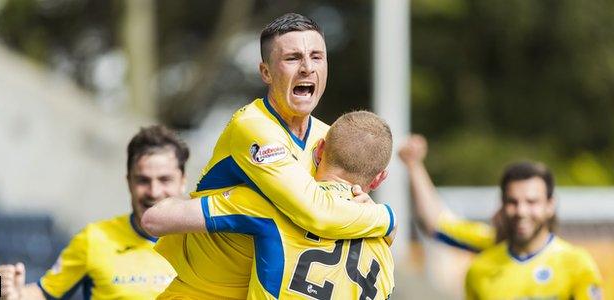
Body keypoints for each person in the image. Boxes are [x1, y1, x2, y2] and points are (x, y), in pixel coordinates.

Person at [153, 13, 395, 299]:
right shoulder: (253, 127)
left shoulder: (330, 139)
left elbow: (344, 224)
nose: (307, 67)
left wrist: (363, 210)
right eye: (293, 58)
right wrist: (386, 217)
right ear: (266, 72)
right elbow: (315, 212)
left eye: (316, 56)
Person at [144, 111, 395, 299]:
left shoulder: (269, 206)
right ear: (380, 178)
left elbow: (154, 219)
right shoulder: (385, 248)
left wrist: (226, 193)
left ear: (319, 151)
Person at [0, 125, 187, 299]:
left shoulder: (205, 244)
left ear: (183, 181)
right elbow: (41, 294)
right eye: (143, 180)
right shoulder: (94, 239)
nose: (153, 192)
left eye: (165, 180)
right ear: (128, 181)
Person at [465, 162, 602, 299]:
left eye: (531, 202)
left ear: (550, 205)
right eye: (513, 202)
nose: (521, 211)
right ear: (502, 205)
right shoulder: (480, 268)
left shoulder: (576, 263)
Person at [398, 134, 498, 251]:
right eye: (512, 202)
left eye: (526, 202)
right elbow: (437, 222)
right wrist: (414, 163)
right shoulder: (494, 241)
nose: (521, 211)